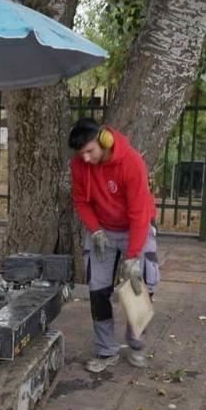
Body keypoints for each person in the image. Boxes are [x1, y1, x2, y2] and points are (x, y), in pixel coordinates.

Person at [68, 117, 160, 373]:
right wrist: (95, 229)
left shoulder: (131, 163)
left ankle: (136, 344)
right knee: (98, 291)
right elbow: (81, 201)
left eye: (90, 151)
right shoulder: (79, 165)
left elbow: (139, 213)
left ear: (104, 140)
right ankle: (106, 349)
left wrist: (132, 256)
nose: (85, 158)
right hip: (103, 230)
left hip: (136, 227)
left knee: (139, 288)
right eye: (81, 153)